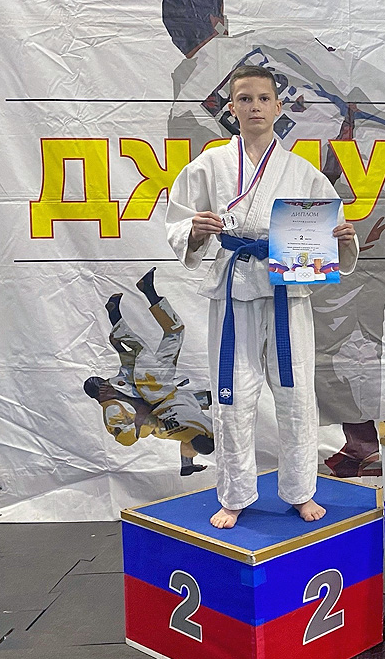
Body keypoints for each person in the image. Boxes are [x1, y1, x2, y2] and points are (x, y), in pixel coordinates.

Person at [165, 65, 360, 529]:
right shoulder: (209, 165)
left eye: (263, 99)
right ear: (231, 108)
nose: (255, 107)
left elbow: (327, 232)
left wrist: (342, 238)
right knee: (233, 395)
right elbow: (178, 221)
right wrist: (194, 231)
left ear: (278, 106)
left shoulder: (302, 171)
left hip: (287, 291)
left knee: (297, 392)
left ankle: (300, 490)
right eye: (245, 99)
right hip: (233, 288)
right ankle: (234, 494)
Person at [83, 268, 213, 476]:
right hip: (160, 392)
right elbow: (127, 438)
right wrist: (142, 416)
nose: (106, 383)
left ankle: (140, 297)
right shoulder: (112, 409)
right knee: (151, 345)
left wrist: (119, 350)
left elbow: (127, 371)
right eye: (103, 384)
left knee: (174, 332)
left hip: (161, 391)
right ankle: (121, 312)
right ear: (100, 393)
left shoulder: (113, 396)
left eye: (104, 382)